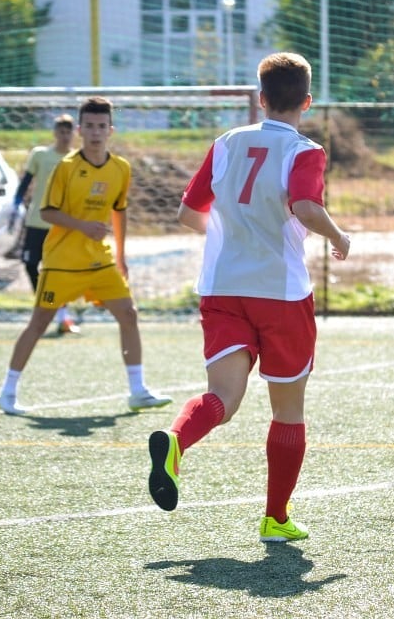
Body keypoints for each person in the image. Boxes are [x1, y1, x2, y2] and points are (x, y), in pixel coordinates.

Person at [147, 52, 351, 542]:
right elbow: (304, 205)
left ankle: (176, 443)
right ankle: (275, 519)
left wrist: (228, 236)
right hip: (280, 295)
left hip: (222, 288)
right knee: (287, 411)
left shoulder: (225, 143)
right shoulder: (305, 150)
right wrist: (339, 237)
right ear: (307, 101)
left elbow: (188, 213)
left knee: (223, 397)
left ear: (260, 99)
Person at [0, 96, 172, 415]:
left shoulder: (121, 168)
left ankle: (138, 390)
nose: (95, 132)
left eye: (101, 126)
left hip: (100, 261)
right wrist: (81, 226)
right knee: (39, 323)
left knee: (128, 315)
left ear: (110, 130)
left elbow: (119, 212)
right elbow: (47, 212)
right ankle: (7, 391)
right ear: (79, 130)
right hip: (62, 263)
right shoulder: (66, 167)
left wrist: (121, 254)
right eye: (89, 126)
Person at [11, 114, 79, 334]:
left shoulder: (77, 159)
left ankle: (62, 315)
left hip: (62, 225)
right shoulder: (40, 155)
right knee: (30, 265)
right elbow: (26, 182)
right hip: (36, 221)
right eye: (61, 132)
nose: (64, 136)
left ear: (74, 134)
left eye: (68, 132)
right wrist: (15, 203)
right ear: (54, 133)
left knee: (61, 271)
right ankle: (46, 306)